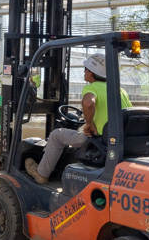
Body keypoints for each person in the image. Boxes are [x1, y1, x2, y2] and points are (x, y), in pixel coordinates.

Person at [25, 54, 131, 183]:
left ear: (91, 73)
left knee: (57, 135)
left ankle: (41, 174)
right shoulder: (119, 90)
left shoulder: (92, 88)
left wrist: (89, 123)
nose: (84, 72)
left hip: (100, 141)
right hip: (119, 140)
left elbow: (88, 103)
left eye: (85, 69)